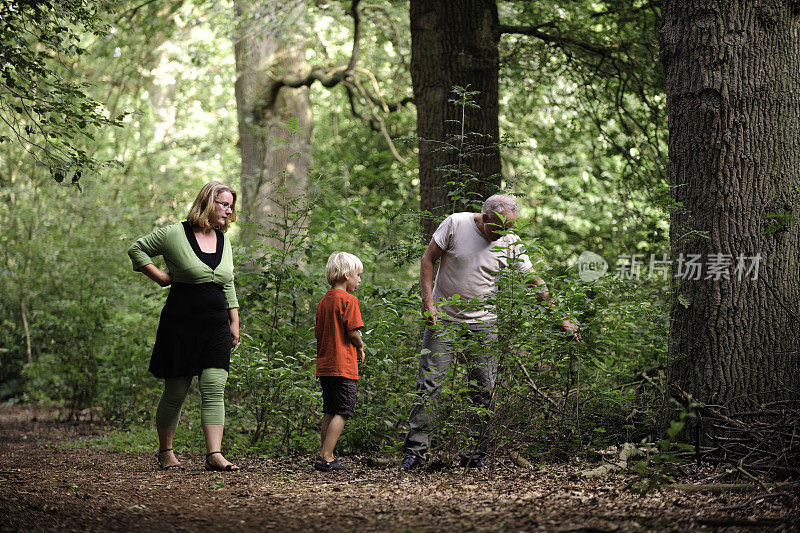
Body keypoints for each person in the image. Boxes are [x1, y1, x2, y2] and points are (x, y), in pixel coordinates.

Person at [399, 194, 580, 471]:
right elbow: (428, 260)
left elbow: (534, 281)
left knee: (483, 389)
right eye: (498, 228)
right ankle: (415, 453)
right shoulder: (455, 224)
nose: (503, 234)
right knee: (430, 385)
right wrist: (428, 303)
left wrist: (561, 318)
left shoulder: (509, 242)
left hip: (484, 324)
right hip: (443, 320)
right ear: (484, 218)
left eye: (508, 228)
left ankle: (473, 454)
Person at [128, 181, 241, 472]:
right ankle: (166, 451)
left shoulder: (223, 240)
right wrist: (160, 277)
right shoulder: (174, 233)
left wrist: (234, 320)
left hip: (216, 324)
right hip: (181, 323)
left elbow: (227, 282)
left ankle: (214, 454)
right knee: (176, 390)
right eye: (224, 204)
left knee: (215, 386)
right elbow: (137, 249)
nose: (229, 211)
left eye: (231, 206)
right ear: (207, 202)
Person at [313, 252, 366, 472]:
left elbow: (318, 332)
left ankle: (324, 454)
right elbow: (353, 331)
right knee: (343, 410)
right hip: (343, 365)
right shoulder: (349, 301)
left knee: (330, 409)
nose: (359, 280)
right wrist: (361, 346)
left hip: (325, 365)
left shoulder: (323, 302)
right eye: (358, 275)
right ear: (346, 275)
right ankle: (326, 455)